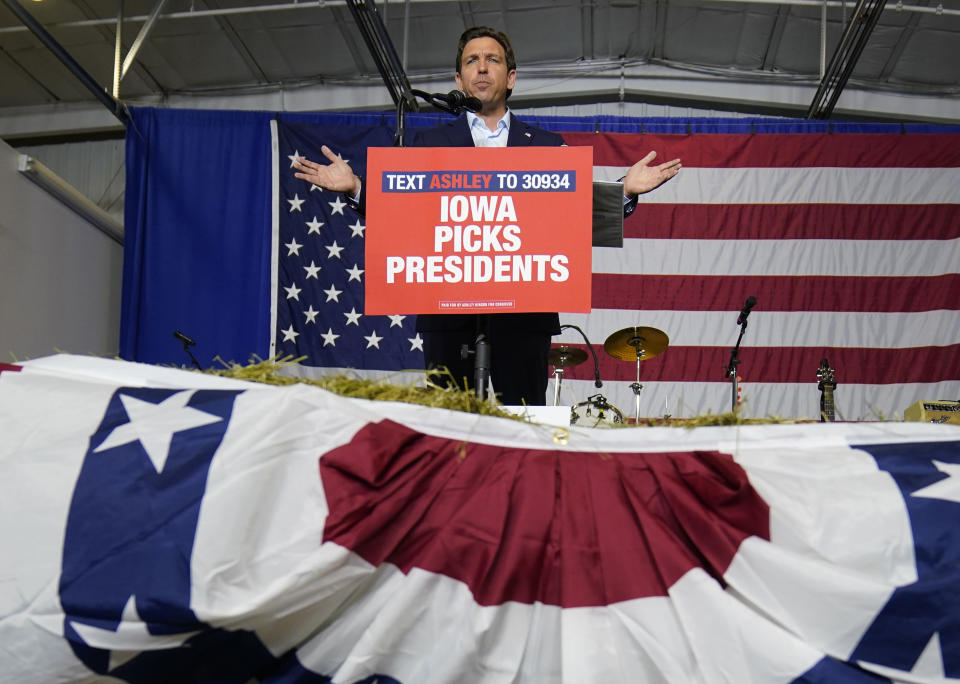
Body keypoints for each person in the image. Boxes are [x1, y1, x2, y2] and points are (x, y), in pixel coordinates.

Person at [294, 26, 681, 406]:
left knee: (523, 424)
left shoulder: (548, 148)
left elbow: (575, 220)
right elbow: (404, 220)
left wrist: (625, 190)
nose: (481, 68)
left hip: (525, 317)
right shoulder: (428, 145)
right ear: (458, 78)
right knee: (453, 430)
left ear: (510, 78)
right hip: (449, 314)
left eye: (492, 60)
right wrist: (356, 188)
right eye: (472, 61)